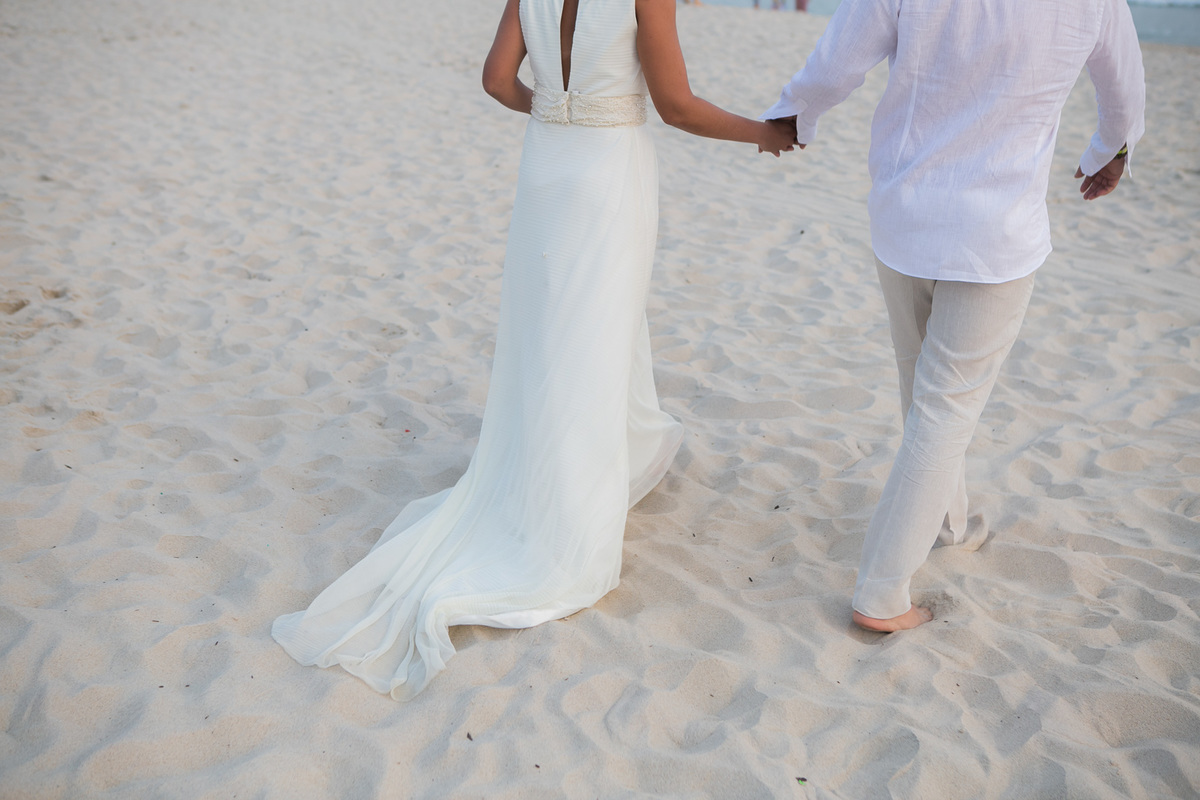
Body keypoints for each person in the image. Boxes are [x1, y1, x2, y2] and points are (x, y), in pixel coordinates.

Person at [272, 0, 795, 699]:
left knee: (555, 331)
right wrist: (760, 133)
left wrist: (558, 110)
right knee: (596, 329)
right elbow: (677, 107)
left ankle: (596, 458)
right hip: (608, 171)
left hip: (548, 164)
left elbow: (495, 80)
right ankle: (569, 518)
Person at [762, 0, 1145, 631]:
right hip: (997, 231)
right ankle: (882, 592)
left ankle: (950, 521)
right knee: (945, 407)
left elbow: (837, 63)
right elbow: (1124, 93)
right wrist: (1110, 149)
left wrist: (795, 115)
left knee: (923, 389)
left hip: (906, 213)